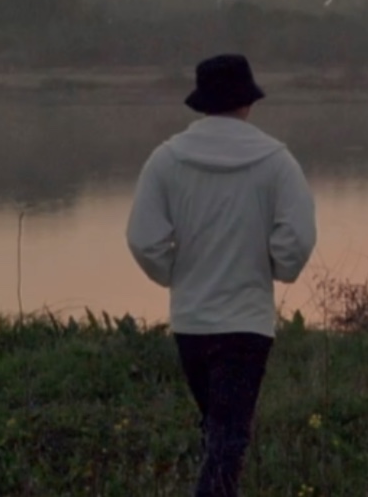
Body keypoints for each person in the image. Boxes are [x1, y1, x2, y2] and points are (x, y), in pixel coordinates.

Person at [127, 54, 317, 497]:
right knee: (229, 438)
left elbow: (143, 239)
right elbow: (298, 238)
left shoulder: (166, 160)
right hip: (248, 323)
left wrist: (176, 274)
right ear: (248, 103)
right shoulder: (277, 162)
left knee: (219, 431)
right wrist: (274, 269)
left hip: (191, 322)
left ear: (202, 104)